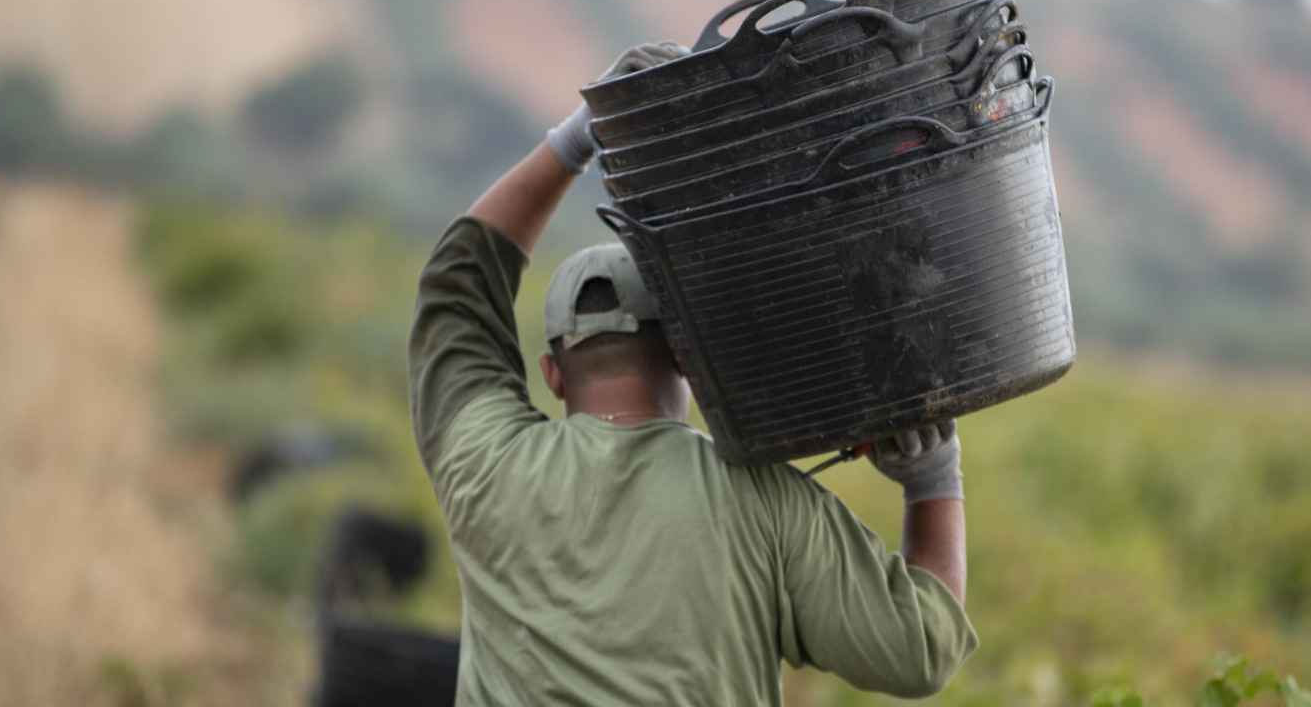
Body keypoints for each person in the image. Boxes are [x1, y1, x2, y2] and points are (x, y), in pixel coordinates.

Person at [409, 43, 977, 705]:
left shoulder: (486, 464)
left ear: (553, 374)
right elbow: (919, 651)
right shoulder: (761, 497)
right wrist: (934, 477)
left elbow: (458, 282)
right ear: (686, 355)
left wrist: (577, 139)